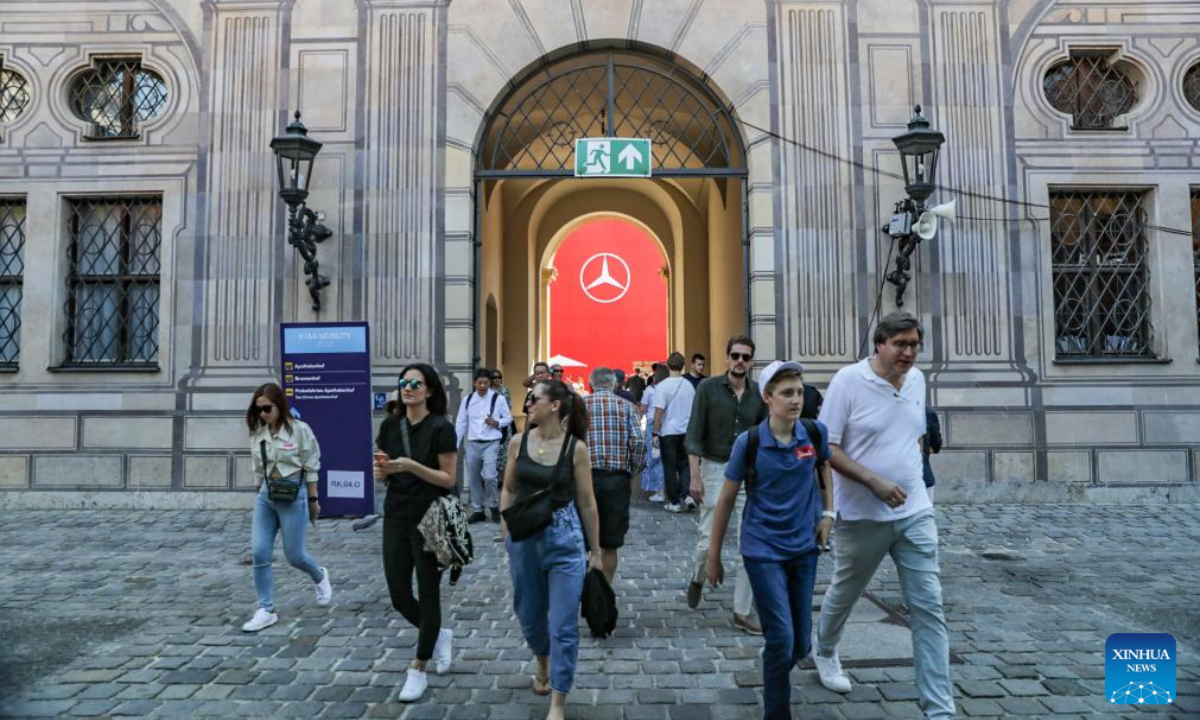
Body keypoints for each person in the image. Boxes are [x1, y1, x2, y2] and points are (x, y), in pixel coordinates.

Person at [813, 312, 956, 720]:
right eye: (901, 344)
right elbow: (829, 447)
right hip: (862, 515)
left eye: (914, 344)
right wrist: (873, 480)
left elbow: (912, 434)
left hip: (915, 512)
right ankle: (824, 648)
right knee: (846, 591)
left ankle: (939, 710)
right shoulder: (848, 382)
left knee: (929, 608)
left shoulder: (917, 380)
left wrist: (913, 477)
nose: (909, 352)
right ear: (880, 344)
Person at [706, 361, 835, 720]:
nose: (796, 400)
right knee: (781, 639)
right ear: (767, 397)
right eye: (786, 393)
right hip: (762, 550)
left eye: (799, 391)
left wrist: (829, 514)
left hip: (805, 550)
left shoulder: (814, 432)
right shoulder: (748, 443)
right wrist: (713, 555)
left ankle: (775, 658)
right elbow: (727, 500)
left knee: (800, 644)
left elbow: (825, 466)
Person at [501, 379, 604, 720]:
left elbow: (587, 502)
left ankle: (558, 701)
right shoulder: (518, 442)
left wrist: (597, 550)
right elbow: (509, 489)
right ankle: (542, 660)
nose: (528, 403)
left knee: (563, 625)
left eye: (535, 398)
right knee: (529, 616)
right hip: (524, 540)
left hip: (564, 540)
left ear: (555, 406)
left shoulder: (576, 449)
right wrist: (505, 528)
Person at [375, 364, 459, 702]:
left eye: (415, 383)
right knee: (398, 596)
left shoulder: (441, 428)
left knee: (428, 594)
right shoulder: (390, 426)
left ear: (429, 390)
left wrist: (411, 466)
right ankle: (439, 635)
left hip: (430, 518)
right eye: (403, 383)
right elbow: (383, 473)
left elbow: (448, 480)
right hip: (396, 515)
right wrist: (382, 471)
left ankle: (418, 668)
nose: (407, 388)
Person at [684, 335, 766, 634]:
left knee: (750, 543)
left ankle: (742, 611)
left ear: (751, 360)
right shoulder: (707, 388)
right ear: (727, 358)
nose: (740, 361)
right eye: (735, 356)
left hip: (747, 474)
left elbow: (763, 437)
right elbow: (694, 432)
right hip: (715, 468)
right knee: (707, 539)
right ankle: (697, 576)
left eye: (746, 356)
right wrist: (695, 474)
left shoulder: (758, 395)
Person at [242, 383, 332, 632]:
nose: (263, 413)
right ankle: (266, 609)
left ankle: (319, 575)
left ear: (280, 405)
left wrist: (313, 500)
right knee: (260, 553)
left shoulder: (300, 430)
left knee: (295, 556)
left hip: (294, 496)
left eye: (267, 408)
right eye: (258, 410)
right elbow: (257, 471)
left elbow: (311, 466)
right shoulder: (258, 434)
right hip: (267, 496)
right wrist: (258, 494)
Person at [584, 366, 646, 582]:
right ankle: (606, 590)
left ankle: (587, 586)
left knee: (585, 539)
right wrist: (633, 470)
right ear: (614, 385)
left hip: (585, 479)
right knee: (610, 542)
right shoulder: (626, 407)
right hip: (616, 479)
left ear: (591, 385)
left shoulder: (579, 407)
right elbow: (638, 442)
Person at [455, 367, 513, 523]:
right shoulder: (467, 400)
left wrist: (497, 422)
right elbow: (461, 423)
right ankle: (478, 509)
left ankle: (493, 505)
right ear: (474, 383)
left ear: (489, 383)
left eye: (486, 383)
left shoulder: (498, 399)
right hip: (473, 442)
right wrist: (455, 444)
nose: (483, 386)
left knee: (489, 476)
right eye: (480, 383)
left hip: (491, 442)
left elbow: (508, 418)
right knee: (473, 477)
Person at [653, 352, 697, 513]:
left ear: (668, 365)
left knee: (670, 468)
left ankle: (674, 502)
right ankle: (686, 495)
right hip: (686, 431)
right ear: (683, 365)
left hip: (668, 432)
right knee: (684, 465)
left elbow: (659, 411)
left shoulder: (662, 386)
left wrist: (655, 433)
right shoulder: (689, 386)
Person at [638, 365, 668, 501]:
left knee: (654, 457)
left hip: (652, 423)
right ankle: (666, 490)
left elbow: (643, 409)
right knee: (664, 458)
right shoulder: (668, 389)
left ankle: (659, 491)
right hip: (667, 423)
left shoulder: (650, 390)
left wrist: (638, 422)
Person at [492, 369, 513, 481]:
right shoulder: (489, 391)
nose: (497, 379)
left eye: (499, 377)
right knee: (495, 451)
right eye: (495, 377)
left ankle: (503, 478)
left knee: (505, 451)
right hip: (493, 424)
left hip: (505, 424)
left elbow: (509, 405)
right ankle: (495, 477)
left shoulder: (505, 389)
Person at [922, 408, 943, 502]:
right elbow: (935, 445)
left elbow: (935, 446)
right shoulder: (927, 413)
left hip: (923, 478)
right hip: (923, 477)